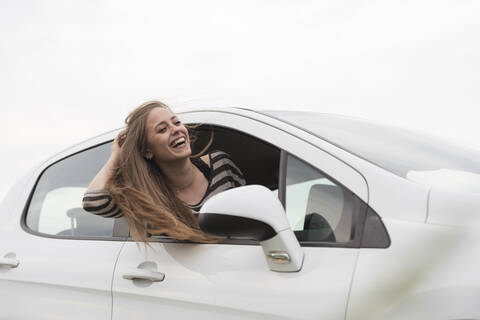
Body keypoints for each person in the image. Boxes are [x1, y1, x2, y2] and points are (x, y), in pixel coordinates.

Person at [82, 101, 246, 243]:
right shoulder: (146, 196)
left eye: (176, 122)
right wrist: (116, 155)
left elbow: (247, 222)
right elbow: (93, 202)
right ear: (147, 151)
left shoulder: (221, 164)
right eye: (162, 129)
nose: (176, 130)